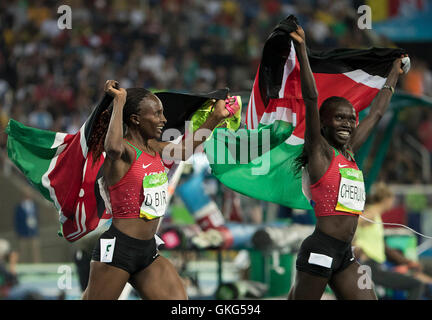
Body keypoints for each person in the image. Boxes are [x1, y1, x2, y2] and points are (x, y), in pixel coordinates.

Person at [82, 80, 235, 300]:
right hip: (119, 249)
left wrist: (216, 117)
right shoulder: (123, 150)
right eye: (156, 114)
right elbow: (112, 147)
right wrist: (119, 101)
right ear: (135, 119)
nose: (163, 120)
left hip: (147, 250)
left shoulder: (154, 147)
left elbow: (184, 150)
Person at [287, 24, 407, 299]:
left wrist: (394, 73)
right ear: (325, 122)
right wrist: (303, 49)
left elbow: (375, 114)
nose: (349, 123)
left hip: (345, 254)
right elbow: (311, 96)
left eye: (352, 118)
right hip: (320, 250)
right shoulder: (319, 151)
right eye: (340, 117)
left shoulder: (349, 153)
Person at [354, 182, 432, 300]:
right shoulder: (372, 214)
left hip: (375, 266)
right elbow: (353, 224)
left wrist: (406, 262)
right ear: (387, 199)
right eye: (392, 199)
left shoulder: (376, 216)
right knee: (416, 284)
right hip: (369, 266)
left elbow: (383, 247)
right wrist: (355, 244)